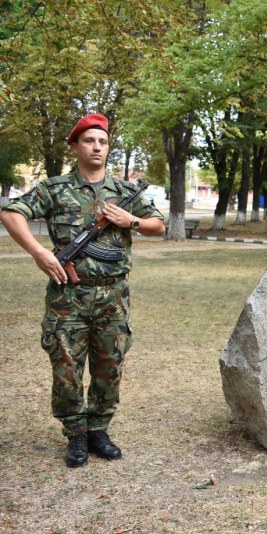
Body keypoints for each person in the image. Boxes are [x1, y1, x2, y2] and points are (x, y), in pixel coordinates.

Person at [0, 114, 166, 468]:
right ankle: (76, 433)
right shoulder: (55, 188)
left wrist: (130, 221)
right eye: (89, 141)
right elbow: (12, 212)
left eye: (103, 142)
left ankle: (99, 429)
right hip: (67, 298)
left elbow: (159, 226)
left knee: (110, 365)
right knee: (66, 367)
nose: (97, 147)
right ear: (75, 146)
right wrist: (40, 252)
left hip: (113, 296)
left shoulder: (124, 192)